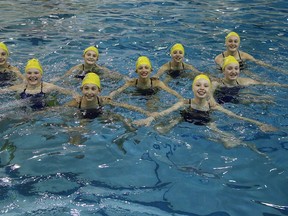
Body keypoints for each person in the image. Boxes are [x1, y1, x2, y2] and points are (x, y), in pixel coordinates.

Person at [133, 74, 276, 152]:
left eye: (205, 86)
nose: (202, 88)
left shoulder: (213, 106)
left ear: (209, 90)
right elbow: (165, 112)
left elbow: (235, 116)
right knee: (161, 129)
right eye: (198, 85)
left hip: (207, 123)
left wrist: (259, 123)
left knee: (230, 143)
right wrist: (149, 119)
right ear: (192, 87)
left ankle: (254, 149)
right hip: (183, 119)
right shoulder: (185, 103)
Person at [66, 72, 151, 120]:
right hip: (82, 116)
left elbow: (125, 106)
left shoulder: (102, 100)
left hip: (99, 114)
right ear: (82, 89)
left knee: (121, 118)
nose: (89, 92)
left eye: (93, 89)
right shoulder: (77, 102)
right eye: (86, 88)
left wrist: (145, 112)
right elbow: (61, 109)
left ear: (99, 90)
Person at [0, 58, 78, 110]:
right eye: (29, 73)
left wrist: (75, 95)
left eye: (36, 73)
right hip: (25, 114)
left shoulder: (48, 87)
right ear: (25, 75)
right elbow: (3, 91)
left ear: (41, 75)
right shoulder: (20, 88)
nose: (32, 76)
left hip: (44, 113)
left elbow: (68, 91)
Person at [211, 55, 288, 104]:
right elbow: (209, 95)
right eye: (230, 68)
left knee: (266, 99)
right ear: (224, 71)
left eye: (236, 69)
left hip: (236, 100)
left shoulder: (244, 81)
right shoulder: (217, 83)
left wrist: (284, 85)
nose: (233, 71)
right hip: (220, 102)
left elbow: (264, 83)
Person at [109, 56, 183, 102]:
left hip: (152, 94)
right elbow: (118, 90)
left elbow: (170, 91)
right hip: (137, 93)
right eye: (140, 68)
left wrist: (181, 98)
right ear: (136, 71)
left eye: (146, 68)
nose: (144, 70)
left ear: (151, 70)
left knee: (151, 107)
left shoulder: (156, 83)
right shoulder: (132, 82)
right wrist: (110, 96)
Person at [214, 32, 287, 78]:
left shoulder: (243, 55)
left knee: (256, 78)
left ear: (239, 44)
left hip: (242, 70)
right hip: (228, 74)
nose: (233, 44)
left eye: (235, 41)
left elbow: (258, 62)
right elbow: (222, 71)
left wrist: (278, 69)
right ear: (225, 43)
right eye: (230, 41)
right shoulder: (219, 58)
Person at [53, 46, 125, 82]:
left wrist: (125, 78)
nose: (91, 57)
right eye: (88, 55)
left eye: (94, 56)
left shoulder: (100, 69)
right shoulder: (78, 68)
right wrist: (56, 79)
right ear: (83, 56)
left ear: (97, 59)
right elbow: (65, 77)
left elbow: (114, 75)